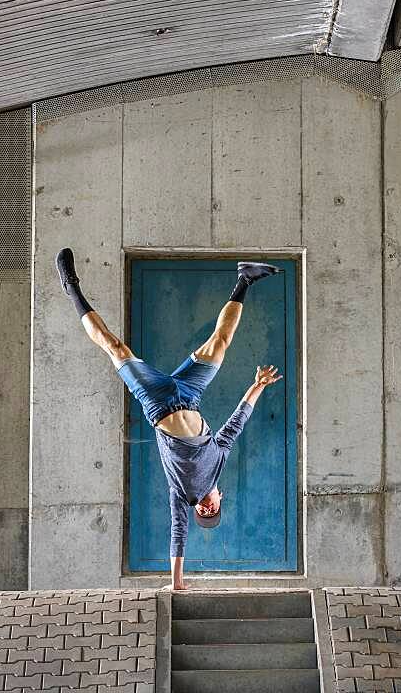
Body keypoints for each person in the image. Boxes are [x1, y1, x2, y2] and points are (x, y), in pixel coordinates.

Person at [56, 248, 283, 590]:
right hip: (190, 394)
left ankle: (71, 287)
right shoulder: (219, 459)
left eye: (203, 516)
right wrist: (257, 386)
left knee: (115, 348)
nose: (205, 511)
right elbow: (238, 422)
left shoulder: (182, 493)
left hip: (158, 403)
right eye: (213, 511)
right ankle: (245, 279)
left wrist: (176, 582)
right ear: (221, 499)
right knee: (220, 342)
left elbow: (178, 533)